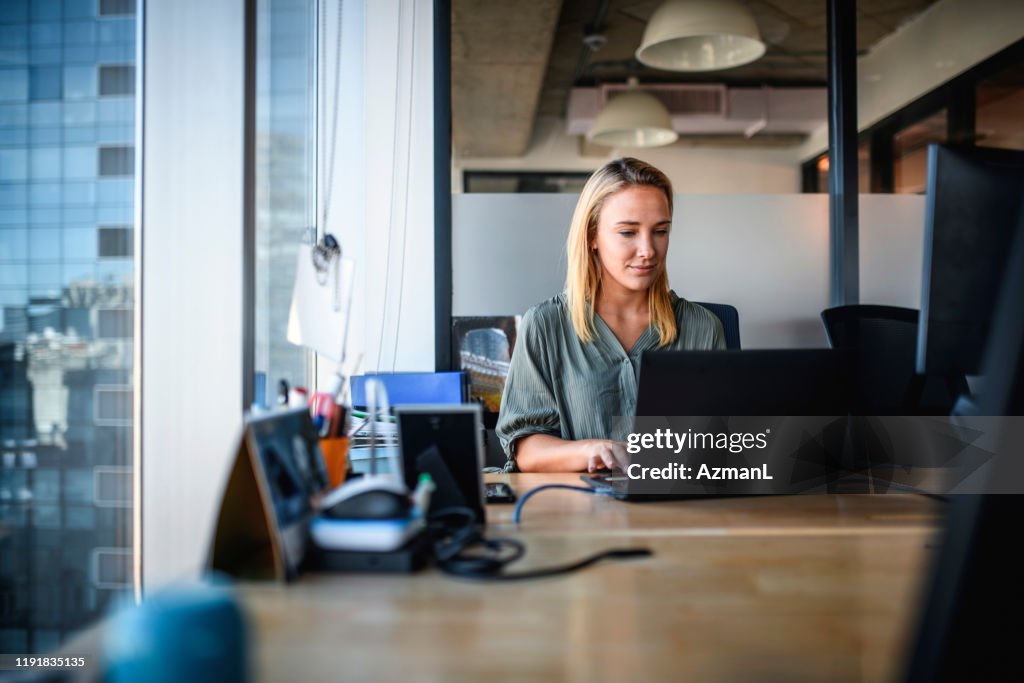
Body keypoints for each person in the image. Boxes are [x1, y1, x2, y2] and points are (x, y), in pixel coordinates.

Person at [495, 157, 725, 473]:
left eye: (660, 231)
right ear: (592, 236)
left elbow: (723, 444)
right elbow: (526, 449)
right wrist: (595, 449)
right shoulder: (546, 325)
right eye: (628, 232)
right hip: (582, 513)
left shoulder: (703, 328)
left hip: (680, 510)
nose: (648, 250)